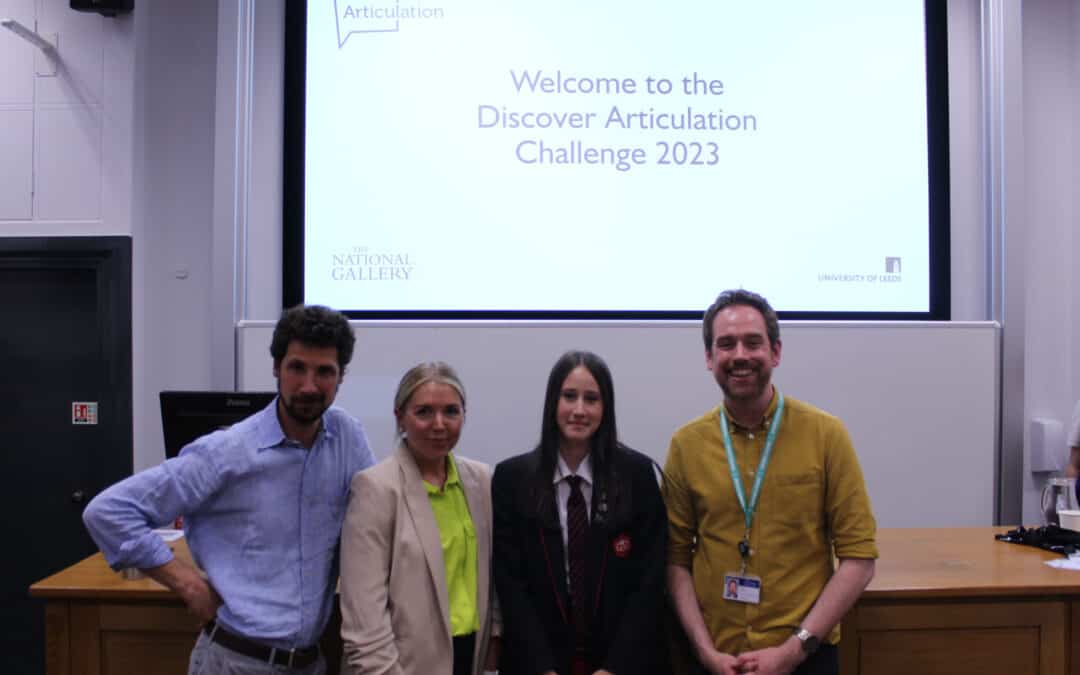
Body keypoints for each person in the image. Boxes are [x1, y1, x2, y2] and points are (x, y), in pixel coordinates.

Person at [82, 305, 375, 674]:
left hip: (310, 663)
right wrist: (188, 584)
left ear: (341, 377)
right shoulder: (228, 451)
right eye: (296, 367)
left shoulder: (346, 438)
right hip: (236, 662)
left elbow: (376, 521)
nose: (308, 386)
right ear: (276, 368)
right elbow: (108, 512)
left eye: (324, 372)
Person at [664, 289, 878, 675]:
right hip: (715, 661)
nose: (740, 355)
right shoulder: (686, 445)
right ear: (710, 358)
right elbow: (676, 561)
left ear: (776, 352)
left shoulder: (827, 435)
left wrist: (794, 650)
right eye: (726, 344)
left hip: (804, 659)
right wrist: (704, 652)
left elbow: (859, 559)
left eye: (753, 342)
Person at [493, 350, 668, 675]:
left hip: (621, 662)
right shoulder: (511, 479)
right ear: (552, 403)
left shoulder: (637, 475)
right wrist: (541, 667)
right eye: (569, 396)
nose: (579, 410)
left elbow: (649, 582)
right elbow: (512, 587)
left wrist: (614, 668)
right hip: (537, 662)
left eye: (592, 399)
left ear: (606, 408)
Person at [339, 362, 499, 675]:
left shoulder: (481, 481)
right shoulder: (375, 489)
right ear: (400, 418)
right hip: (399, 667)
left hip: (470, 659)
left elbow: (494, 580)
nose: (439, 424)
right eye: (424, 412)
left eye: (451, 411)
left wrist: (494, 641)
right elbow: (365, 623)